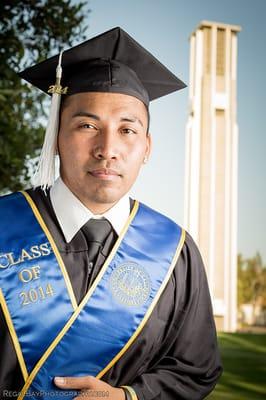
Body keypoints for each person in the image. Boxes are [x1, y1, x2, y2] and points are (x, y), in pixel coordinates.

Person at [0, 27, 222, 400]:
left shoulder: (174, 252)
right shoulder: (5, 225)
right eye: (87, 126)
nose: (107, 149)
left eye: (127, 130)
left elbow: (195, 369)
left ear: (147, 147)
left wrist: (128, 397)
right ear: (56, 136)